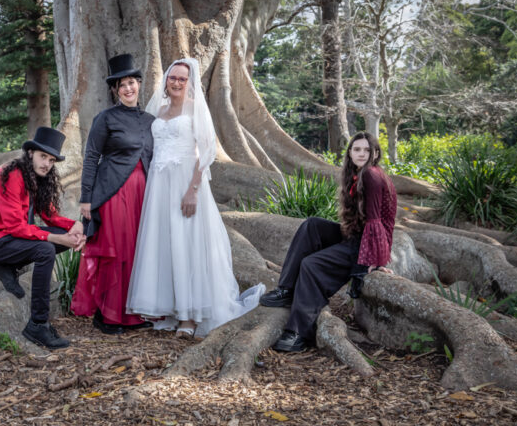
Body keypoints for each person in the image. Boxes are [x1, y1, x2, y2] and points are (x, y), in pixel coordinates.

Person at [126, 57, 265, 339]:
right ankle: (172, 309)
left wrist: (193, 190)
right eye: (173, 77)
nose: (176, 82)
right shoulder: (158, 111)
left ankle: (189, 317)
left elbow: (206, 152)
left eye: (182, 78)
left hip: (185, 184)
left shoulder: (195, 109)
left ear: (189, 83)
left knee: (186, 244)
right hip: (159, 185)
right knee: (165, 243)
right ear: (166, 80)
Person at [260, 132, 397, 352]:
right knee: (312, 225)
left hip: (365, 245)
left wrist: (376, 260)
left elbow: (376, 221)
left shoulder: (372, 175)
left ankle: (297, 332)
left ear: (375, 154)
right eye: (357, 149)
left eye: (367, 150)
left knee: (311, 265)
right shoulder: (356, 175)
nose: (362, 154)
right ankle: (287, 290)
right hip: (355, 236)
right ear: (350, 153)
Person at [0, 127, 85, 350]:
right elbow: (16, 227)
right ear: (31, 153)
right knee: (46, 249)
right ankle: (38, 324)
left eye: (51, 160)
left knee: (60, 237)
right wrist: (56, 239)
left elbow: (50, 216)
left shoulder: (37, 177)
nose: (47, 164)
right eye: (43, 156)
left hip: (9, 239)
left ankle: (5, 266)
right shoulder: (11, 176)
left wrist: (75, 226)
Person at [71, 53, 156, 334]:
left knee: (137, 252)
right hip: (113, 193)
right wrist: (86, 198)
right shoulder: (105, 118)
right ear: (115, 90)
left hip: (143, 194)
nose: (128, 88)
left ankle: (132, 314)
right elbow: (91, 157)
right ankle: (107, 316)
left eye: (132, 82)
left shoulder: (151, 120)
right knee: (116, 251)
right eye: (122, 85)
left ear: (139, 84)